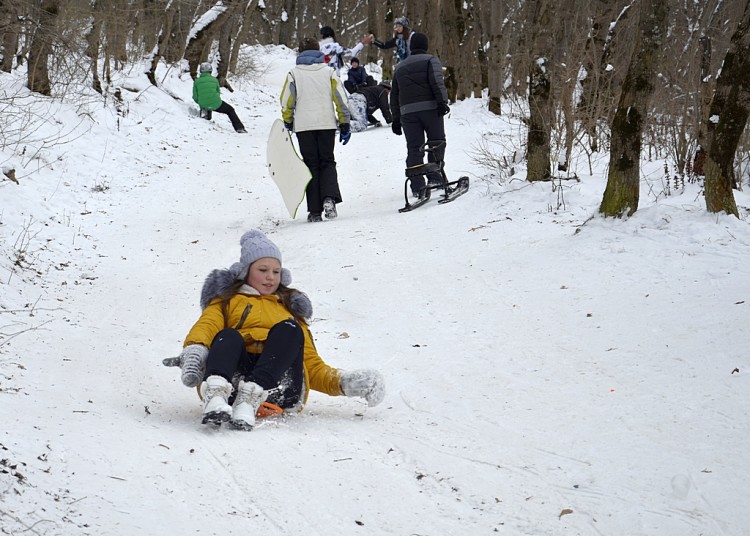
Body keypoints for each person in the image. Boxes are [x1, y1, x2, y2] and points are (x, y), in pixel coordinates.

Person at [176, 230, 386, 430]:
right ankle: (216, 395)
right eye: (263, 270)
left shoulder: (289, 309)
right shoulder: (226, 302)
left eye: (276, 272)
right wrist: (195, 352)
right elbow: (207, 326)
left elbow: (310, 363)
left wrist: (344, 383)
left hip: (277, 387)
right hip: (233, 383)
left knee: (290, 330)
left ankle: (252, 396)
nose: (270, 277)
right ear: (245, 271)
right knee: (228, 336)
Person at [280, 37, 351, 222]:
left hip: (304, 127)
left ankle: (314, 211)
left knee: (310, 164)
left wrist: (287, 121)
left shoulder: (293, 74)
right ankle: (329, 197)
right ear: (318, 51)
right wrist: (344, 122)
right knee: (327, 161)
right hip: (326, 124)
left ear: (300, 53)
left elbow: (287, 101)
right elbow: (341, 98)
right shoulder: (328, 72)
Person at [389, 33, 450, 198]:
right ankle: (435, 177)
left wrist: (395, 119)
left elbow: (394, 95)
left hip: (408, 113)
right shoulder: (431, 60)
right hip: (430, 109)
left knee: (414, 148)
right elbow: (437, 82)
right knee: (436, 142)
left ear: (411, 47)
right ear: (426, 45)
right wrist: (442, 102)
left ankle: (417, 186)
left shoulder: (399, 67)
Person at [192, 62, 247, 133]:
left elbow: (195, 96)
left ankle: (205, 115)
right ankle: (239, 128)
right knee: (230, 110)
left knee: (206, 105)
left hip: (203, 104)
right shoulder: (214, 80)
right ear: (210, 71)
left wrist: (200, 103)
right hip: (216, 103)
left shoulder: (196, 81)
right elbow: (218, 92)